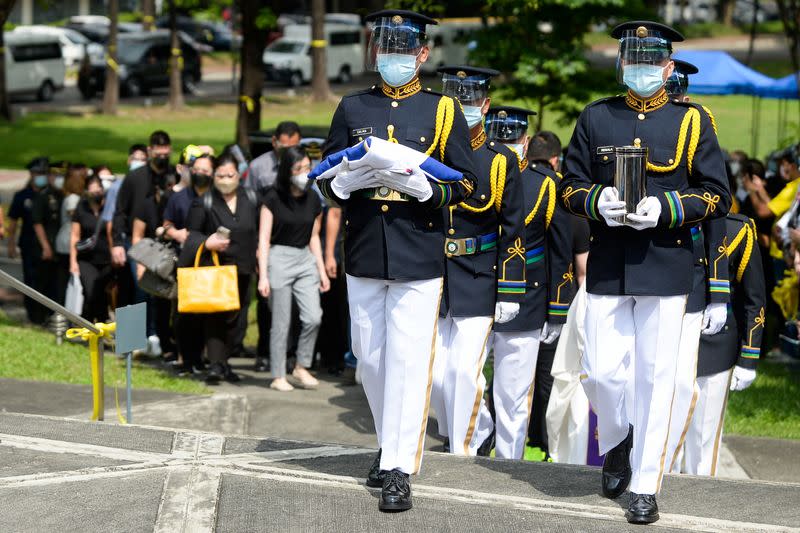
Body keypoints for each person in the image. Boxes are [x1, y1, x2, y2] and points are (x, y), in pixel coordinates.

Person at [558, 21, 729, 524]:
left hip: (665, 260)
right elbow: (570, 184)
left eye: (651, 61)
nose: (640, 69)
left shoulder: (691, 122)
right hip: (609, 260)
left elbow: (717, 194)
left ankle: (646, 482)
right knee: (601, 373)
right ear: (621, 63)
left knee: (656, 378)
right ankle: (616, 441)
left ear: (668, 67)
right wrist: (596, 201)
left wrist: (668, 207)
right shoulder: (596, 117)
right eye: (632, 58)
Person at [311, 8, 478, 512]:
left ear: (422, 55)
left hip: (418, 249)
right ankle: (389, 445)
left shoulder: (442, 110)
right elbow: (326, 174)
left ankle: (398, 464)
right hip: (364, 249)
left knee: (408, 362)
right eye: (386, 50)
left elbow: (467, 185)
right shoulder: (351, 104)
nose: (394, 59)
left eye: (404, 51)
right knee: (371, 362)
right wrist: (340, 185)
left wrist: (427, 190)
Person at [428, 66, 526, 458]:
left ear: (484, 106)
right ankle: (480, 425)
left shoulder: (500, 161)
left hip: (478, 276)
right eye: (456, 102)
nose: (463, 108)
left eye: (470, 102)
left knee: (462, 373)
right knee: (434, 377)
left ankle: (463, 450)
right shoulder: (428, 153)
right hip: (432, 276)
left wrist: (509, 287)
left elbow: (514, 228)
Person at [480, 107, 575, 460]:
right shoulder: (477, 168)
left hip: (526, 296)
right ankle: (478, 432)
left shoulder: (547, 185)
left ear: (524, 142)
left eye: (511, 139)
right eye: (498, 138)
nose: (505, 145)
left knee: (514, 393)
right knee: (455, 379)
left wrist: (557, 309)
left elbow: (559, 251)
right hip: (473, 290)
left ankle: (510, 460)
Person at [682, 214, 765, 475]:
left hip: (714, 347)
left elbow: (754, 299)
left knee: (702, 444)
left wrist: (748, 358)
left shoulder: (737, 230)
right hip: (668, 342)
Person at [526, 131, 586, 460]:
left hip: (517, 295)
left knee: (515, 376)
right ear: (554, 160)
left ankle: (516, 438)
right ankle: (548, 444)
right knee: (551, 376)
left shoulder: (516, 186)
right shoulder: (565, 198)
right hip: (559, 299)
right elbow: (581, 269)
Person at [257, 146, 329, 391]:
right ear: (287, 171)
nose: (304, 173)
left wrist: (320, 269)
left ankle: (301, 365)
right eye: (298, 169)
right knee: (281, 322)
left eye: (307, 168)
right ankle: (278, 375)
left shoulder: (313, 198)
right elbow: (264, 239)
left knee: (313, 317)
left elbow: (314, 237)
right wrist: (263, 275)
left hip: (305, 258)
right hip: (278, 258)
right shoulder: (272, 198)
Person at [184, 153, 260, 383]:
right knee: (216, 317)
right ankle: (215, 365)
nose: (226, 179)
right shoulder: (204, 201)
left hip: (245, 269)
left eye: (231, 174)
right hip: (216, 269)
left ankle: (226, 362)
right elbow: (192, 235)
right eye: (221, 175)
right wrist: (207, 242)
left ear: (239, 175)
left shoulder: (251, 198)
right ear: (214, 176)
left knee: (238, 320)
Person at [112, 131, 176, 356]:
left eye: (165, 152)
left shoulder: (172, 176)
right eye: (157, 152)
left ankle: (157, 339)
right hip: (135, 240)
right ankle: (130, 341)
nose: (162, 156)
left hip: (164, 242)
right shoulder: (135, 177)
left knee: (160, 293)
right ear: (150, 151)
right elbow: (120, 211)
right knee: (135, 290)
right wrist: (117, 242)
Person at [163, 150, 214, 376]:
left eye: (206, 170)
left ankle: (201, 357)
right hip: (184, 263)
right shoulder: (178, 197)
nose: (201, 174)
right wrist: (177, 234)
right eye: (197, 170)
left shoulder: (215, 198)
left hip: (210, 265)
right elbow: (166, 225)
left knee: (206, 314)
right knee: (183, 314)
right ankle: (184, 358)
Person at [7, 157, 50, 322]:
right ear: (31, 174)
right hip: (29, 245)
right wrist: (11, 244)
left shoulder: (50, 194)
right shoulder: (22, 196)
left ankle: (46, 314)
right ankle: (33, 315)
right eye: (38, 173)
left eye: (44, 173)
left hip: (49, 246)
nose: (41, 176)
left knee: (47, 281)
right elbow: (13, 221)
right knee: (31, 281)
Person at [69, 175, 112, 322]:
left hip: (107, 260)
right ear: (87, 191)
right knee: (91, 289)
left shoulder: (108, 207)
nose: (96, 193)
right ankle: (92, 321)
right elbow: (75, 236)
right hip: (87, 260)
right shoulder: (81, 208)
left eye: (98, 189)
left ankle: (98, 321)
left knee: (101, 293)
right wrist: (73, 262)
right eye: (93, 190)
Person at [31, 160, 66, 312]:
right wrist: (45, 246)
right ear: (50, 176)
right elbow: (37, 223)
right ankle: (39, 316)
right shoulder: (43, 196)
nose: (58, 179)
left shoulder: (64, 195)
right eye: (55, 175)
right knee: (43, 284)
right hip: (47, 246)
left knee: (59, 285)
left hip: (62, 248)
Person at [247, 121, 302, 191]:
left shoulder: (305, 165)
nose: (289, 153)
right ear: (274, 141)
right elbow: (248, 197)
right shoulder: (257, 166)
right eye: (284, 149)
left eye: (293, 148)